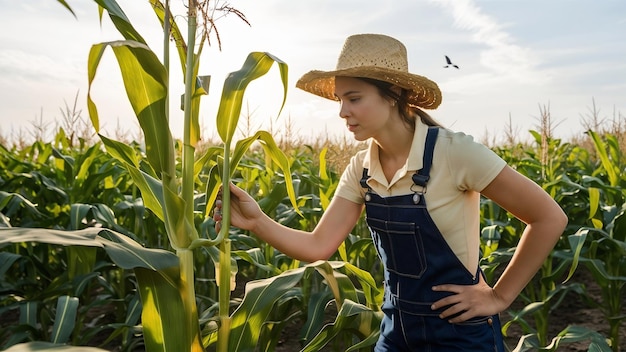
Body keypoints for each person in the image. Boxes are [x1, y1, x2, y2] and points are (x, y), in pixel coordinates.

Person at [213, 33, 567, 351]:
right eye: (339, 100)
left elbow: (548, 217)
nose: (342, 112)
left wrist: (499, 296)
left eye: (354, 98)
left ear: (394, 94)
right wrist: (258, 221)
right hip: (396, 331)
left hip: (460, 337)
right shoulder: (361, 169)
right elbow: (318, 246)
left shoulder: (454, 152)